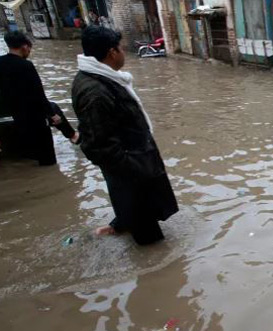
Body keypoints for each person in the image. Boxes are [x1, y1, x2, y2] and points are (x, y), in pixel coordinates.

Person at [72, 26, 178, 245]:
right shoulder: (96, 92)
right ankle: (153, 271)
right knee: (150, 240)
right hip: (131, 170)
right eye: (120, 48)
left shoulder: (104, 79)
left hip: (134, 163)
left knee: (142, 211)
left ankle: (121, 224)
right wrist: (133, 169)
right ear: (112, 52)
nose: (123, 53)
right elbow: (97, 145)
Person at [0, 31, 77, 166]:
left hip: (4, 117)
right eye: (29, 48)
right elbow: (38, 94)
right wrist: (53, 115)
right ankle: (73, 136)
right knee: (52, 109)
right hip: (28, 118)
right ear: (25, 47)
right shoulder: (26, 66)